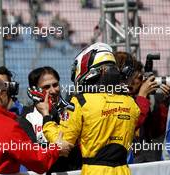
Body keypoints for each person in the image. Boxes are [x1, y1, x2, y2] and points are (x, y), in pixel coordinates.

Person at [43, 42, 140, 175]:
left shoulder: (81, 101)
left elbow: (63, 143)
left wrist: (47, 120)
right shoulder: (131, 103)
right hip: (123, 170)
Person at [0, 75, 73, 175]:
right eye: (6, 92)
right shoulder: (7, 126)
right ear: (1, 94)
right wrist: (56, 148)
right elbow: (38, 161)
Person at [18, 66, 82, 172]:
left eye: (55, 85)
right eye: (46, 87)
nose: (53, 90)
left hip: (74, 171)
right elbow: (33, 152)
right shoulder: (27, 117)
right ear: (34, 90)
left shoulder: (72, 109)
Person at [114, 51, 170, 163]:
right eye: (138, 77)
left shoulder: (145, 100)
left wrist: (165, 102)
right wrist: (142, 96)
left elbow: (157, 131)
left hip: (142, 160)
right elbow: (130, 124)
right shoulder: (113, 99)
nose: (142, 81)